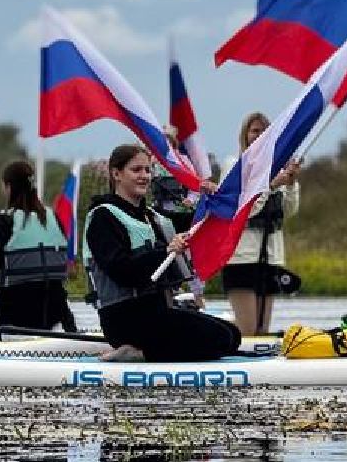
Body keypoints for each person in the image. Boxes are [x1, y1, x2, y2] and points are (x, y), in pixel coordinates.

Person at [84, 144, 242, 363]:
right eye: (136, 170)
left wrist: (211, 198)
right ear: (116, 174)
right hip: (124, 318)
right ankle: (138, 353)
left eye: (147, 170)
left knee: (233, 335)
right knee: (219, 338)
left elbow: (197, 221)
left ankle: (152, 349)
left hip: (156, 311)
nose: (144, 176)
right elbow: (121, 270)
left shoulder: (152, 216)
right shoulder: (103, 217)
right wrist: (165, 251)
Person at [0, 160, 78, 332]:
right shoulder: (53, 217)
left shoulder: (4, 221)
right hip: (55, 316)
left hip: (15, 316)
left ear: (9, 187)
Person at [221, 112, 302, 337]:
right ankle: (220, 333)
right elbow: (244, 209)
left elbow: (288, 210)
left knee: (261, 330)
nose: (259, 136)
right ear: (245, 135)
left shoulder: (277, 167)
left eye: (264, 131)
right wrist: (270, 185)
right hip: (241, 258)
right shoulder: (234, 166)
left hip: (270, 257)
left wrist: (291, 184)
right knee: (247, 329)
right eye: (255, 131)